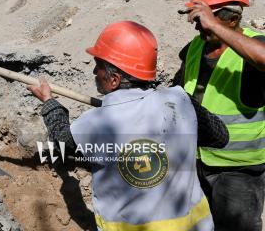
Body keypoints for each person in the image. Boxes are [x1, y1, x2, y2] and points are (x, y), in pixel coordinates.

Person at [28, 21, 229, 231]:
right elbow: (221, 137)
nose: (94, 71)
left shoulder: (98, 122)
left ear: (114, 80)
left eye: (98, 65)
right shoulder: (180, 100)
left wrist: (49, 103)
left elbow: (62, 142)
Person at [175, 0, 265, 231]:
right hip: (197, 164)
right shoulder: (194, 48)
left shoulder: (253, 46)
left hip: (239, 173)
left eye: (202, 19)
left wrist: (213, 24)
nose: (197, 26)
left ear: (231, 19)